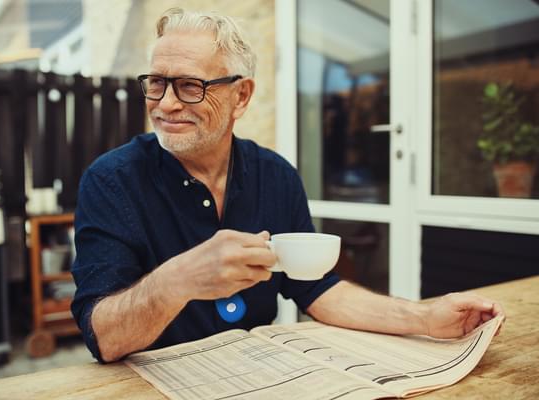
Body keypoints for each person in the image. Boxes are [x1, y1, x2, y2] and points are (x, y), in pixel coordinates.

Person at [71, 8, 505, 363]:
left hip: (258, 374)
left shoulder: (274, 175)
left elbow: (315, 288)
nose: (165, 104)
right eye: (156, 83)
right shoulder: (111, 181)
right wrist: (177, 281)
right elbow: (103, 336)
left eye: (189, 86)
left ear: (241, 96)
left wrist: (425, 317)